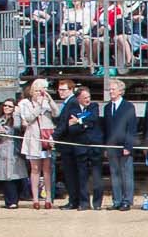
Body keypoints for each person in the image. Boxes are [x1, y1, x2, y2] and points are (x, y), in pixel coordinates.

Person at [56, 84, 101, 210]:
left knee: (97, 177)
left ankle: (97, 204)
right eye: (85, 97)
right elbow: (71, 128)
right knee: (82, 177)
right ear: (79, 99)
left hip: (94, 146)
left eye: (89, 97)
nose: (88, 99)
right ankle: (84, 203)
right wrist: (84, 124)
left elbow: (93, 118)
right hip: (80, 148)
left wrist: (79, 121)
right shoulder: (73, 109)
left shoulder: (94, 106)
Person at [17, 79, 55, 209]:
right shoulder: (25, 103)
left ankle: (49, 197)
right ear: (32, 91)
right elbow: (28, 118)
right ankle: (35, 198)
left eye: (43, 90)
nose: (40, 93)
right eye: (38, 90)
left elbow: (57, 113)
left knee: (47, 169)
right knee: (35, 169)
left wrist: (49, 101)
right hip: (33, 138)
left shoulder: (47, 102)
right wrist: (39, 106)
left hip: (46, 138)